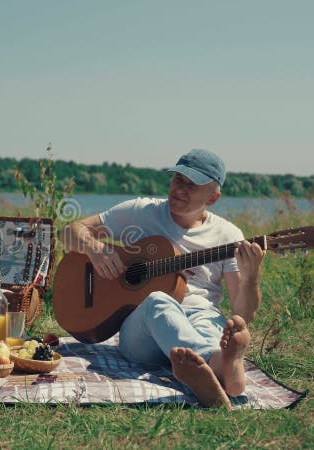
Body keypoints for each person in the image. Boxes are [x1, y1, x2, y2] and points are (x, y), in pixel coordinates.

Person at [61, 148, 265, 408]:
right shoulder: (141, 211)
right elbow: (69, 233)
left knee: (216, 326)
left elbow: (242, 314)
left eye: (192, 185)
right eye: (178, 179)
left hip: (201, 316)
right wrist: (95, 248)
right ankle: (216, 370)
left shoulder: (228, 235)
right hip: (143, 328)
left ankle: (215, 366)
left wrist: (251, 279)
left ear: (213, 198)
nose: (181, 189)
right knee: (158, 299)